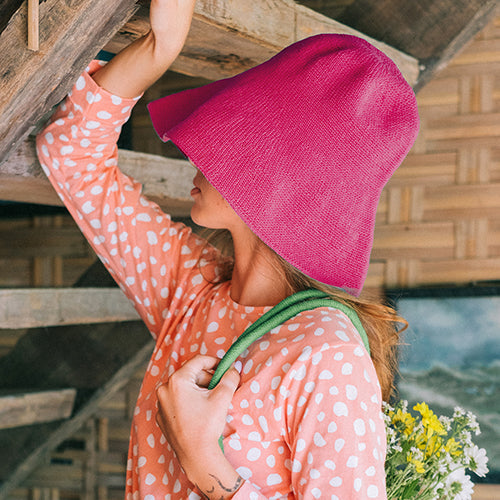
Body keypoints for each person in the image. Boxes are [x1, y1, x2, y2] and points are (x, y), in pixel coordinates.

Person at [36, 0, 419, 498]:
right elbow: (71, 159)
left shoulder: (327, 357)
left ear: (271, 181)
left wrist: (207, 467)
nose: (191, 148)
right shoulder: (192, 290)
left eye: (226, 140)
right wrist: (158, 49)